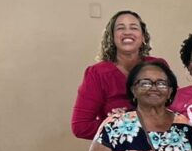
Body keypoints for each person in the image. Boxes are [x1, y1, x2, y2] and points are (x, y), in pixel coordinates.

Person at [72, 10, 168, 139]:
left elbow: (174, 108)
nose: (127, 32)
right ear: (111, 37)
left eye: (133, 27)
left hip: (160, 143)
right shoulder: (97, 73)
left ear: (143, 37)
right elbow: (80, 127)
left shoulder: (158, 66)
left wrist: (135, 121)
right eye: (120, 28)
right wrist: (117, 124)